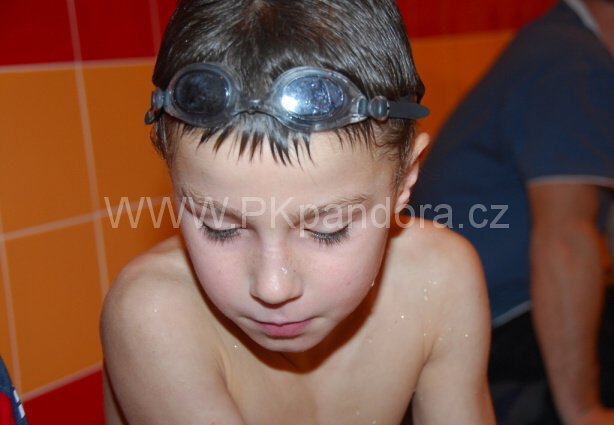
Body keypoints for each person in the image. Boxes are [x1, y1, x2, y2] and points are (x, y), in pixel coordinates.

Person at [99, 0, 496, 424]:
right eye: (219, 227)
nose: (272, 288)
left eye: (329, 229)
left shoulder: (441, 279)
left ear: (405, 179)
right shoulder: (154, 315)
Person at [409, 0, 614, 424]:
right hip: (495, 327)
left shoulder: (557, 43)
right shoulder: (572, 61)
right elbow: (565, 241)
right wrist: (584, 411)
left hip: (471, 315)